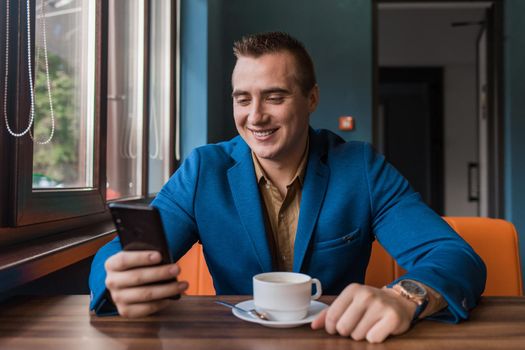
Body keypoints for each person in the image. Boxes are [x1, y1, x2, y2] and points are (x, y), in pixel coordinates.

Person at [89, 32, 486, 343]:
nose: (255, 116)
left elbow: (453, 255)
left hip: (337, 341)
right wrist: (115, 281)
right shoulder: (202, 171)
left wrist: (406, 297)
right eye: (242, 99)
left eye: (274, 97)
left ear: (311, 98)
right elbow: (119, 255)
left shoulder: (360, 168)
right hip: (232, 344)